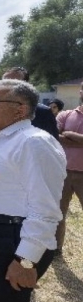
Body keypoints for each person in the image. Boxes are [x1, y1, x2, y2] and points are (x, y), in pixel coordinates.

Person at [0, 79, 65, 302]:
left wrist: (26, 261)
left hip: (9, 240)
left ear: (20, 109)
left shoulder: (34, 142)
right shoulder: (1, 139)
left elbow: (46, 209)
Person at [54, 81, 83, 255]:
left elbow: (62, 136)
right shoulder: (66, 114)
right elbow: (53, 135)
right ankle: (56, 248)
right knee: (58, 214)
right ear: (80, 92)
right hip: (62, 173)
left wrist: (69, 134)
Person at [2, 67, 58, 139]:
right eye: (4, 83)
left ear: (26, 86)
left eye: (14, 83)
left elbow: (52, 145)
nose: (8, 87)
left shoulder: (43, 113)